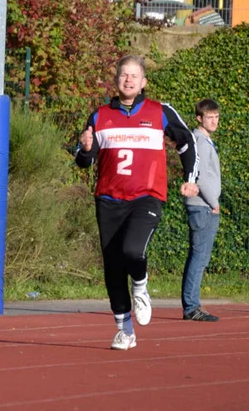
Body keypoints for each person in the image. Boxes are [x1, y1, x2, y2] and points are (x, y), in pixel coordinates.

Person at [74, 55, 199, 350]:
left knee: (132, 250)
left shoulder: (160, 112)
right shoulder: (99, 116)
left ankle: (141, 286)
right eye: (123, 75)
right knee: (113, 267)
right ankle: (124, 330)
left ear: (143, 82)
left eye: (134, 76)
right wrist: (85, 147)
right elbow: (84, 160)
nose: (128, 80)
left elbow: (187, 143)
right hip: (108, 198)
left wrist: (191, 177)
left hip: (146, 196)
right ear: (116, 80)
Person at [181, 99, 222, 322]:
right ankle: (191, 306)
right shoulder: (200, 142)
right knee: (200, 257)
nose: (214, 121)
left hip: (202, 204)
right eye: (210, 117)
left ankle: (191, 305)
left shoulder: (203, 141)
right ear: (199, 118)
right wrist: (213, 201)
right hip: (202, 205)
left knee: (198, 257)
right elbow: (202, 176)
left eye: (216, 117)